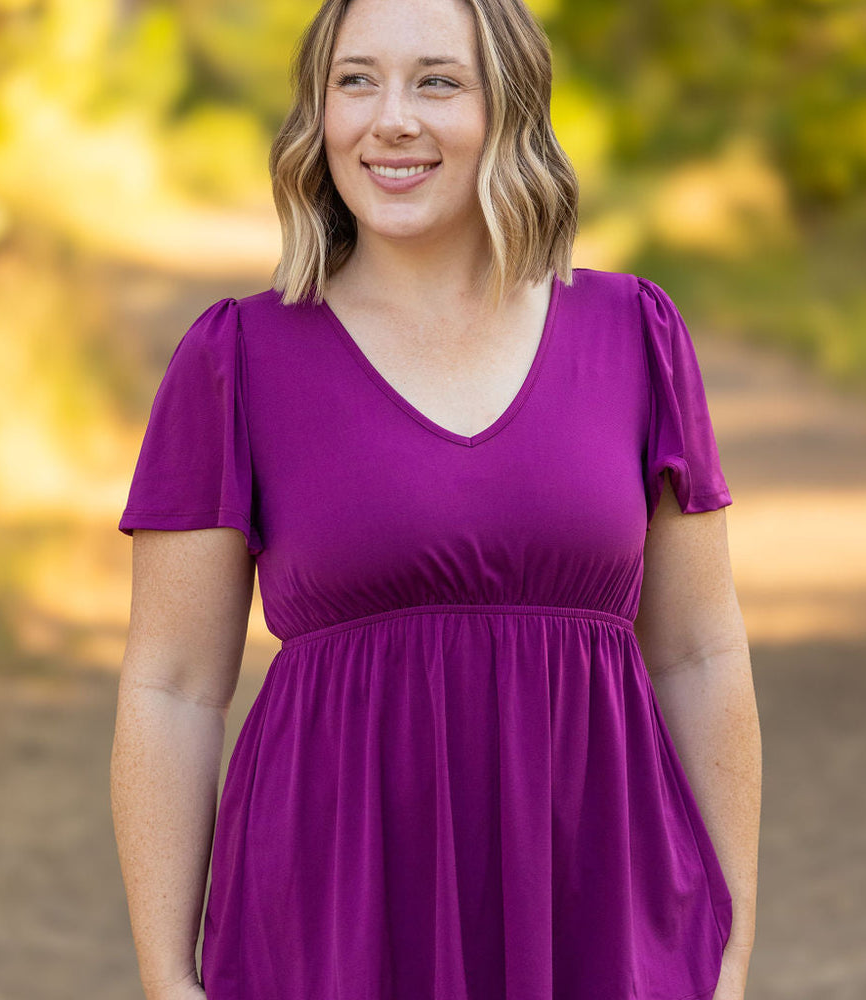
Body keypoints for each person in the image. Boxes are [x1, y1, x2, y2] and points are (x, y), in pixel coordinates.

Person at [110, 0, 762, 997]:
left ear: (511, 105)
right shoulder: (238, 358)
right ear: (317, 115)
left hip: (598, 910)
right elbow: (172, 684)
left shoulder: (632, 332)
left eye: (438, 81)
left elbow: (699, 651)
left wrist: (733, 934)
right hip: (331, 921)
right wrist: (164, 975)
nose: (391, 119)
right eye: (355, 80)